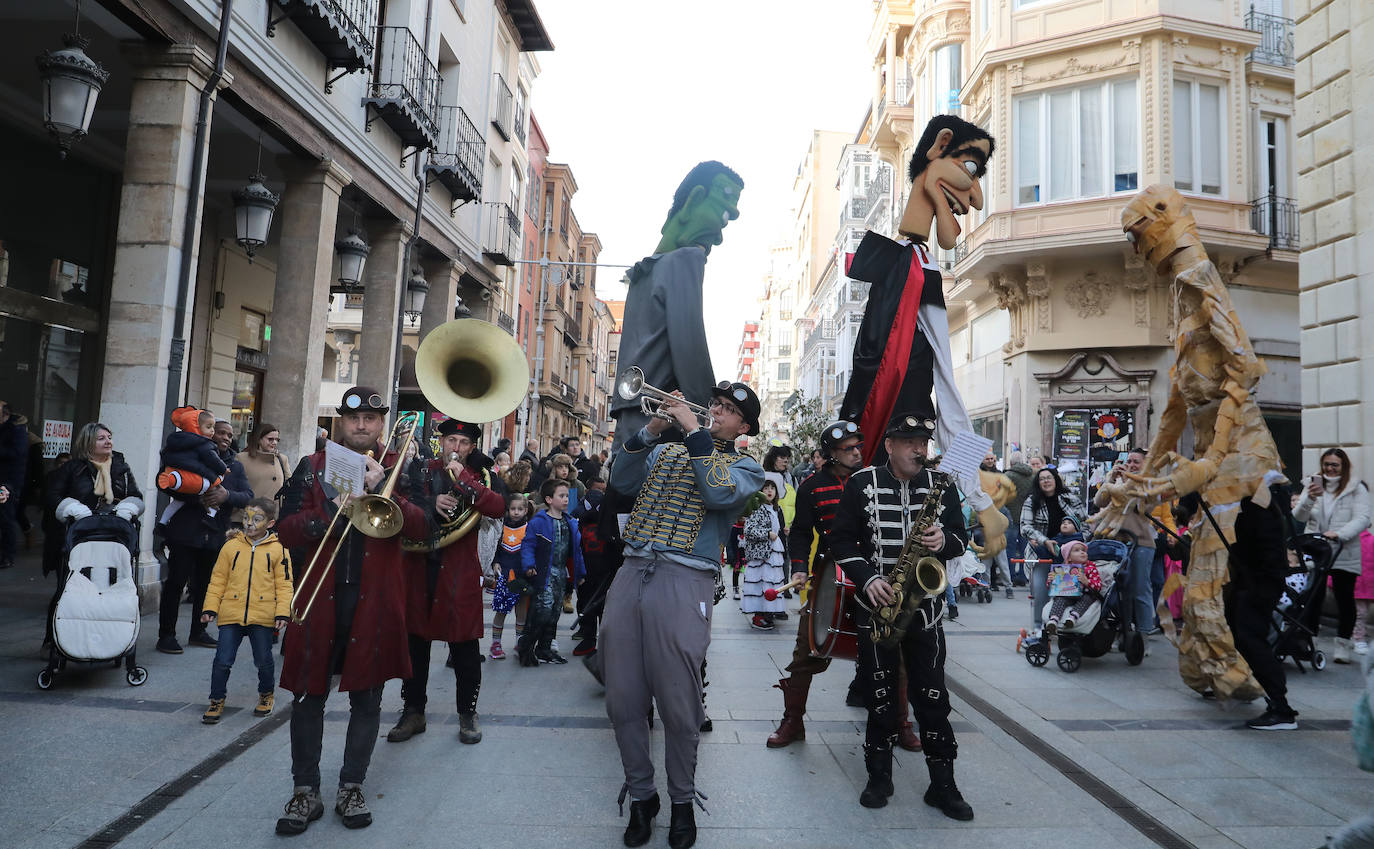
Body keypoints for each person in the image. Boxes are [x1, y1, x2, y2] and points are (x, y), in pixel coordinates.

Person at [602, 380, 763, 849]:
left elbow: (718, 494)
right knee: (623, 698)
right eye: (714, 403)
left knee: (678, 701)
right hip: (633, 568)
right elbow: (622, 482)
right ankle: (640, 796)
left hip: (685, 578)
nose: (715, 411)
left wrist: (693, 431)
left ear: (743, 427)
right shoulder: (668, 451)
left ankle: (682, 801)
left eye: (727, 409)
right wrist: (650, 430)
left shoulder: (746, 466)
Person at [836, 115, 1006, 554]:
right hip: (897, 385)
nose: (976, 194)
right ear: (940, 147)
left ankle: (980, 500)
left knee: (946, 400)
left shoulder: (916, 265)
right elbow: (938, 383)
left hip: (904, 388)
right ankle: (981, 501)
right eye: (970, 170)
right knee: (946, 398)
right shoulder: (910, 266)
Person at [273, 386, 428, 835]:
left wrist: (385, 489)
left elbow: (421, 529)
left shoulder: (404, 469)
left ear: (382, 424)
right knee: (307, 696)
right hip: (320, 599)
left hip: (374, 600)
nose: (362, 426)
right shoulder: (312, 467)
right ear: (341, 421)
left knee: (368, 696)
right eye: (354, 418)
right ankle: (305, 791)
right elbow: (285, 530)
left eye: (372, 419)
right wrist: (328, 516)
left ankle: (351, 787)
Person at [829, 411, 972, 819]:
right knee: (880, 696)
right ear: (889, 445)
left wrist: (945, 539)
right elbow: (840, 539)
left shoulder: (943, 485)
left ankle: (943, 785)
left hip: (925, 611)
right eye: (909, 442)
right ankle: (879, 776)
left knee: (932, 697)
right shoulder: (861, 483)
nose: (918, 449)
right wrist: (867, 577)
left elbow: (962, 539)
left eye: (923, 443)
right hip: (878, 609)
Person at [386, 420, 505, 746]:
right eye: (451, 439)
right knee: (415, 645)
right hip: (419, 565)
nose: (456, 446)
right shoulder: (420, 468)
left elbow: (497, 506)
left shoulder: (479, 475)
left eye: (463, 442)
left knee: (465, 646)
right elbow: (396, 501)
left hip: (458, 570)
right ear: (440, 441)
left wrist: (464, 479)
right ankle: (413, 711)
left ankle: (468, 714)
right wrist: (430, 505)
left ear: (471, 447)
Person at [768, 419, 874, 748]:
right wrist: (799, 566)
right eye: (849, 449)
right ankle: (793, 722)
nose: (857, 452)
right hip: (827, 580)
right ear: (830, 454)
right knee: (805, 652)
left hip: (871, 580)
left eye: (858, 446)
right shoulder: (812, 487)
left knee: (889, 652)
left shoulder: (871, 482)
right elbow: (800, 531)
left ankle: (900, 722)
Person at [45, 424, 144, 647]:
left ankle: (107, 642)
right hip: (79, 538)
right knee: (68, 588)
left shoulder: (120, 467)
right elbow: (52, 495)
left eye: (109, 437)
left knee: (110, 590)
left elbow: (136, 496)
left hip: (112, 537)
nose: (108, 441)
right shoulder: (71, 468)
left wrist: (129, 507)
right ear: (88, 442)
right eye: (101, 438)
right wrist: (71, 506)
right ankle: (53, 640)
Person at [199, 497, 292, 723]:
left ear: (270, 523)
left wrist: (282, 612)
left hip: (262, 615)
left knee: (263, 660)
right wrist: (210, 607)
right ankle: (216, 699)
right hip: (232, 612)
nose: (249, 524)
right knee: (222, 660)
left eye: (256, 519)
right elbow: (218, 579)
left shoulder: (279, 550)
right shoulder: (231, 546)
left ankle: (266, 694)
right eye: (246, 518)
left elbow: (285, 584)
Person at [1226, 474, 1304, 729]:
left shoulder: (1259, 505)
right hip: (1250, 582)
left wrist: (1255, 585)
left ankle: (1281, 708)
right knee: (1243, 637)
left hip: (1259, 584)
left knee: (1251, 639)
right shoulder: (1249, 502)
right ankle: (1263, 691)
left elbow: (1266, 550)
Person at [1293, 448, 1372, 663]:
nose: (1330, 468)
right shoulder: (1313, 485)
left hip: (1343, 549)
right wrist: (1309, 498)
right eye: (1326, 464)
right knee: (1312, 596)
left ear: (1343, 466)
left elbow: (1363, 518)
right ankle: (1309, 640)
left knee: (1344, 597)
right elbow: (1299, 516)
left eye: (1334, 465)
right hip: (1317, 548)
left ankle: (1343, 644)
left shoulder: (1356, 489)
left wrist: (1339, 534)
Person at [1093, 448, 1164, 649]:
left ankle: (1143, 637)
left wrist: (1124, 485)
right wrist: (1110, 479)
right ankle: (1122, 632)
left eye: (1136, 462)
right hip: (1116, 544)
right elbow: (1099, 501)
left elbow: (1140, 507)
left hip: (1140, 542)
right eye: (1129, 461)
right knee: (1115, 590)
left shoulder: (1148, 484)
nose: (1132, 465)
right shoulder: (1117, 483)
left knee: (1140, 590)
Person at [518, 478, 584, 666]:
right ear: (548, 499)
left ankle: (545, 649)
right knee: (542, 612)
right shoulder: (539, 521)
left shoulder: (569, 522)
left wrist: (580, 573)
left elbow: (576, 551)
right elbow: (528, 545)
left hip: (560, 575)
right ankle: (526, 647)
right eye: (561, 496)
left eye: (566, 496)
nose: (565, 499)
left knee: (555, 613)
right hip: (544, 575)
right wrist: (529, 565)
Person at [1020, 466, 1085, 638]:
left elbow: (1086, 524)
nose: (1046, 481)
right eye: (1042, 479)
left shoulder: (1071, 499)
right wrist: (1044, 540)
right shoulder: (1032, 501)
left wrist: (1077, 542)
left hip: (1068, 557)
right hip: (1042, 553)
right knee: (1040, 590)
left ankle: (1062, 624)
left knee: (1068, 591)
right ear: (1038, 483)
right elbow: (1025, 527)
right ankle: (1038, 627)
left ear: (1056, 480)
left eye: (1049, 478)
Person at [490, 492, 534, 660]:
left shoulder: (530, 528)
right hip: (504, 576)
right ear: (507, 509)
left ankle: (519, 643)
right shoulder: (501, 527)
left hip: (522, 576)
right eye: (513, 508)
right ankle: (495, 644)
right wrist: (495, 562)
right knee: (501, 610)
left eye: (520, 509)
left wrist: (531, 567)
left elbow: (532, 551)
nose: (516, 512)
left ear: (526, 510)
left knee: (521, 611)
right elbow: (496, 549)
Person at [740, 480, 785, 630]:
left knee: (771, 583)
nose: (769, 491)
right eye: (766, 488)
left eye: (772, 488)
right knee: (760, 584)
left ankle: (768, 613)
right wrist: (767, 534)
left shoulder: (776, 509)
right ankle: (759, 616)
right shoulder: (757, 508)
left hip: (772, 553)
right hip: (762, 555)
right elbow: (748, 530)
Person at [157, 407, 226, 500]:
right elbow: (214, 462)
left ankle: (174, 480)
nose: (212, 431)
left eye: (214, 427)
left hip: (176, 478)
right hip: (192, 497)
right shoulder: (204, 444)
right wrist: (221, 472)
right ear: (196, 426)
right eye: (209, 427)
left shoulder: (176, 441)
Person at [1042, 540, 1102, 636]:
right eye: (1077, 550)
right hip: (1068, 594)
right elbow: (1053, 588)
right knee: (1059, 600)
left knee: (1087, 599)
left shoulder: (1091, 568)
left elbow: (1098, 586)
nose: (1082, 552)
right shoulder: (1063, 569)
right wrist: (1051, 580)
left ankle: (1073, 617)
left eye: (1084, 550)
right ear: (1069, 558)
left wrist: (1087, 582)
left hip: (1085, 594)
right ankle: (1054, 619)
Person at [235, 422, 292, 520]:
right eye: (270, 439)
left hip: (272, 519)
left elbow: (290, 486)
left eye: (277, 439)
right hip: (247, 518)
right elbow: (234, 488)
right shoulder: (242, 458)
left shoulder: (282, 459)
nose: (274, 443)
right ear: (258, 439)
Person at [0, 400, 31, 570]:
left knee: (6, 518)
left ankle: (7, 556)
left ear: (5, 414)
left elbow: (18, 453)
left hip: (7, 482)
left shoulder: (16, 430)